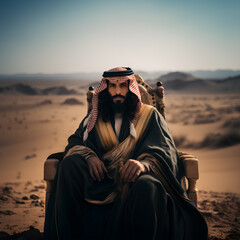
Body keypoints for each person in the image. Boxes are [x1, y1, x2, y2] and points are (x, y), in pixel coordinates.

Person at [44, 67, 208, 240]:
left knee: (147, 185)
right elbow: (76, 141)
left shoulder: (150, 115)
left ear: (131, 88)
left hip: (135, 182)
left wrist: (143, 165)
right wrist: (89, 156)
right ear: (105, 88)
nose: (117, 91)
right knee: (70, 165)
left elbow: (167, 151)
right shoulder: (94, 117)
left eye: (123, 86)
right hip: (100, 182)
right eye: (112, 86)